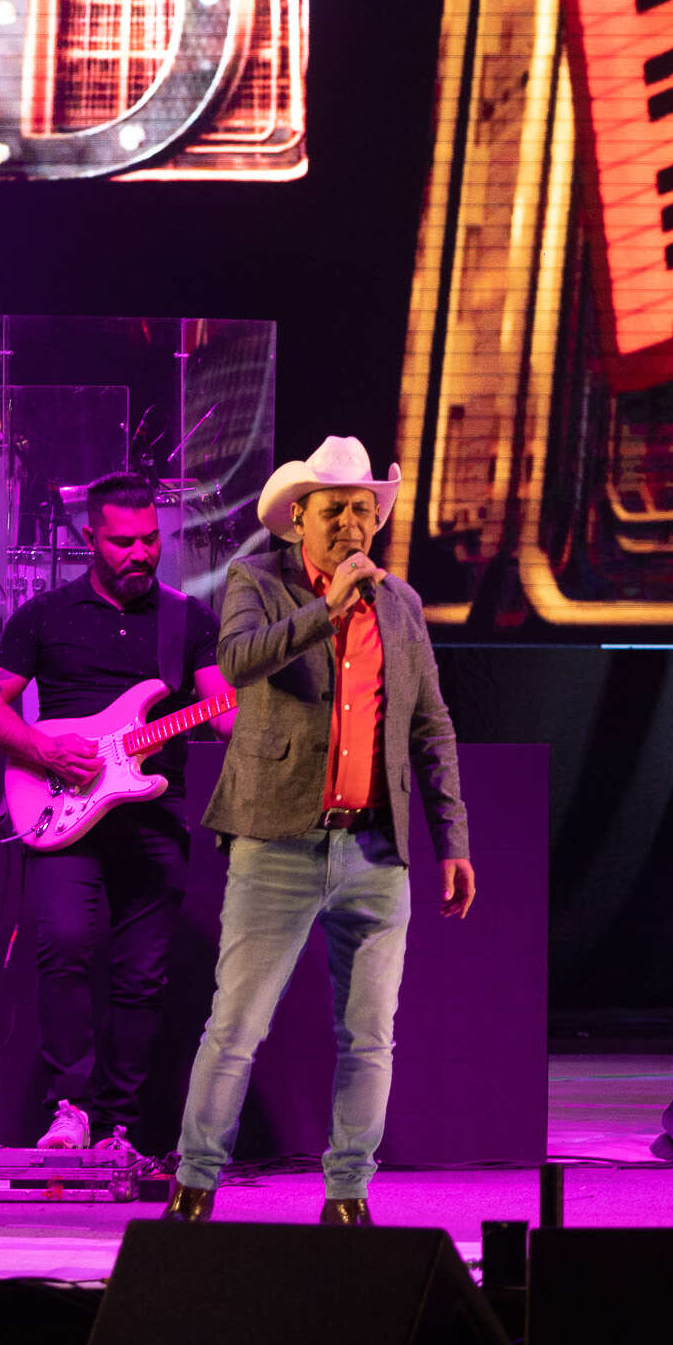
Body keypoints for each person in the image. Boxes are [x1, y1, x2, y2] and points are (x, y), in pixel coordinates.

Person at [167, 436, 475, 1224]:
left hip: (376, 849)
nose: (350, 523)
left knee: (370, 1037)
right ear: (298, 517)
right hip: (276, 841)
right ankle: (195, 1185)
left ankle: (348, 1195)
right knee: (236, 1026)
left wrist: (453, 841)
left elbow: (431, 726)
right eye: (333, 509)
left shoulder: (401, 604)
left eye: (362, 510)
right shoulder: (257, 579)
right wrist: (325, 609)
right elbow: (238, 663)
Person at [0, 473, 234, 1155]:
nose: (140, 553)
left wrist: (278, 705)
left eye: (151, 539)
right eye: (123, 542)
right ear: (90, 537)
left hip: (155, 809)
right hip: (62, 803)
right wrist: (44, 749)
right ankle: (70, 1109)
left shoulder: (187, 619)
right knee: (62, 946)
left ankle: (117, 1125)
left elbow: (222, 712)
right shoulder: (46, 615)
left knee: (143, 976)